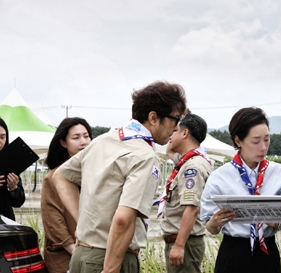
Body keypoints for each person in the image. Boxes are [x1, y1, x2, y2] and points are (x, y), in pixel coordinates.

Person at [53, 81, 187, 273]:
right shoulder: (145, 156)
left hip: (82, 254)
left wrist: (83, 221)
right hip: (112, 257)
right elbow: (124, 219)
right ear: (153, 117)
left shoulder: (103, 140)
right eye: (175, 119)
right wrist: (111, 268)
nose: (176, 128)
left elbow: (61, 176)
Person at [200, 107, 281, 273]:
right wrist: (214, 223)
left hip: (267, 250)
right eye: (256, 141)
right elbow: (211, 228)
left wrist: (278, 222)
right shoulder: (219, 177)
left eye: (267, 139)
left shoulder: (279, 173)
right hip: (234, 251)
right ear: (238, 141)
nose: (263, 147)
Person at [158, 113, 212, 273]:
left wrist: (179, 245)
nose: (169, 135)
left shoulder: (192, 168)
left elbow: (192, 208)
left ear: (185, 133)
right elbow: (169, 151)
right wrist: (181, 117)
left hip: (185, 243)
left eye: (174, 130)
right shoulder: (186, 161)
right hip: (182, 241)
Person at [41, 117, 92, 273]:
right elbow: (53, 221)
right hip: (66, 258)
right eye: (76, 138)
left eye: (86, 136)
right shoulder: (54, 177)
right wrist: (77, 253)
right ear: (63, 143)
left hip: (93, 254)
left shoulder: (96, 173)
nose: (83, 142)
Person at [0, 118, 25, 221]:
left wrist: (13, 188)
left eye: (2, 137)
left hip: (5, 224)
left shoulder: (9, 162)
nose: (0, 141)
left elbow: (18, 202)